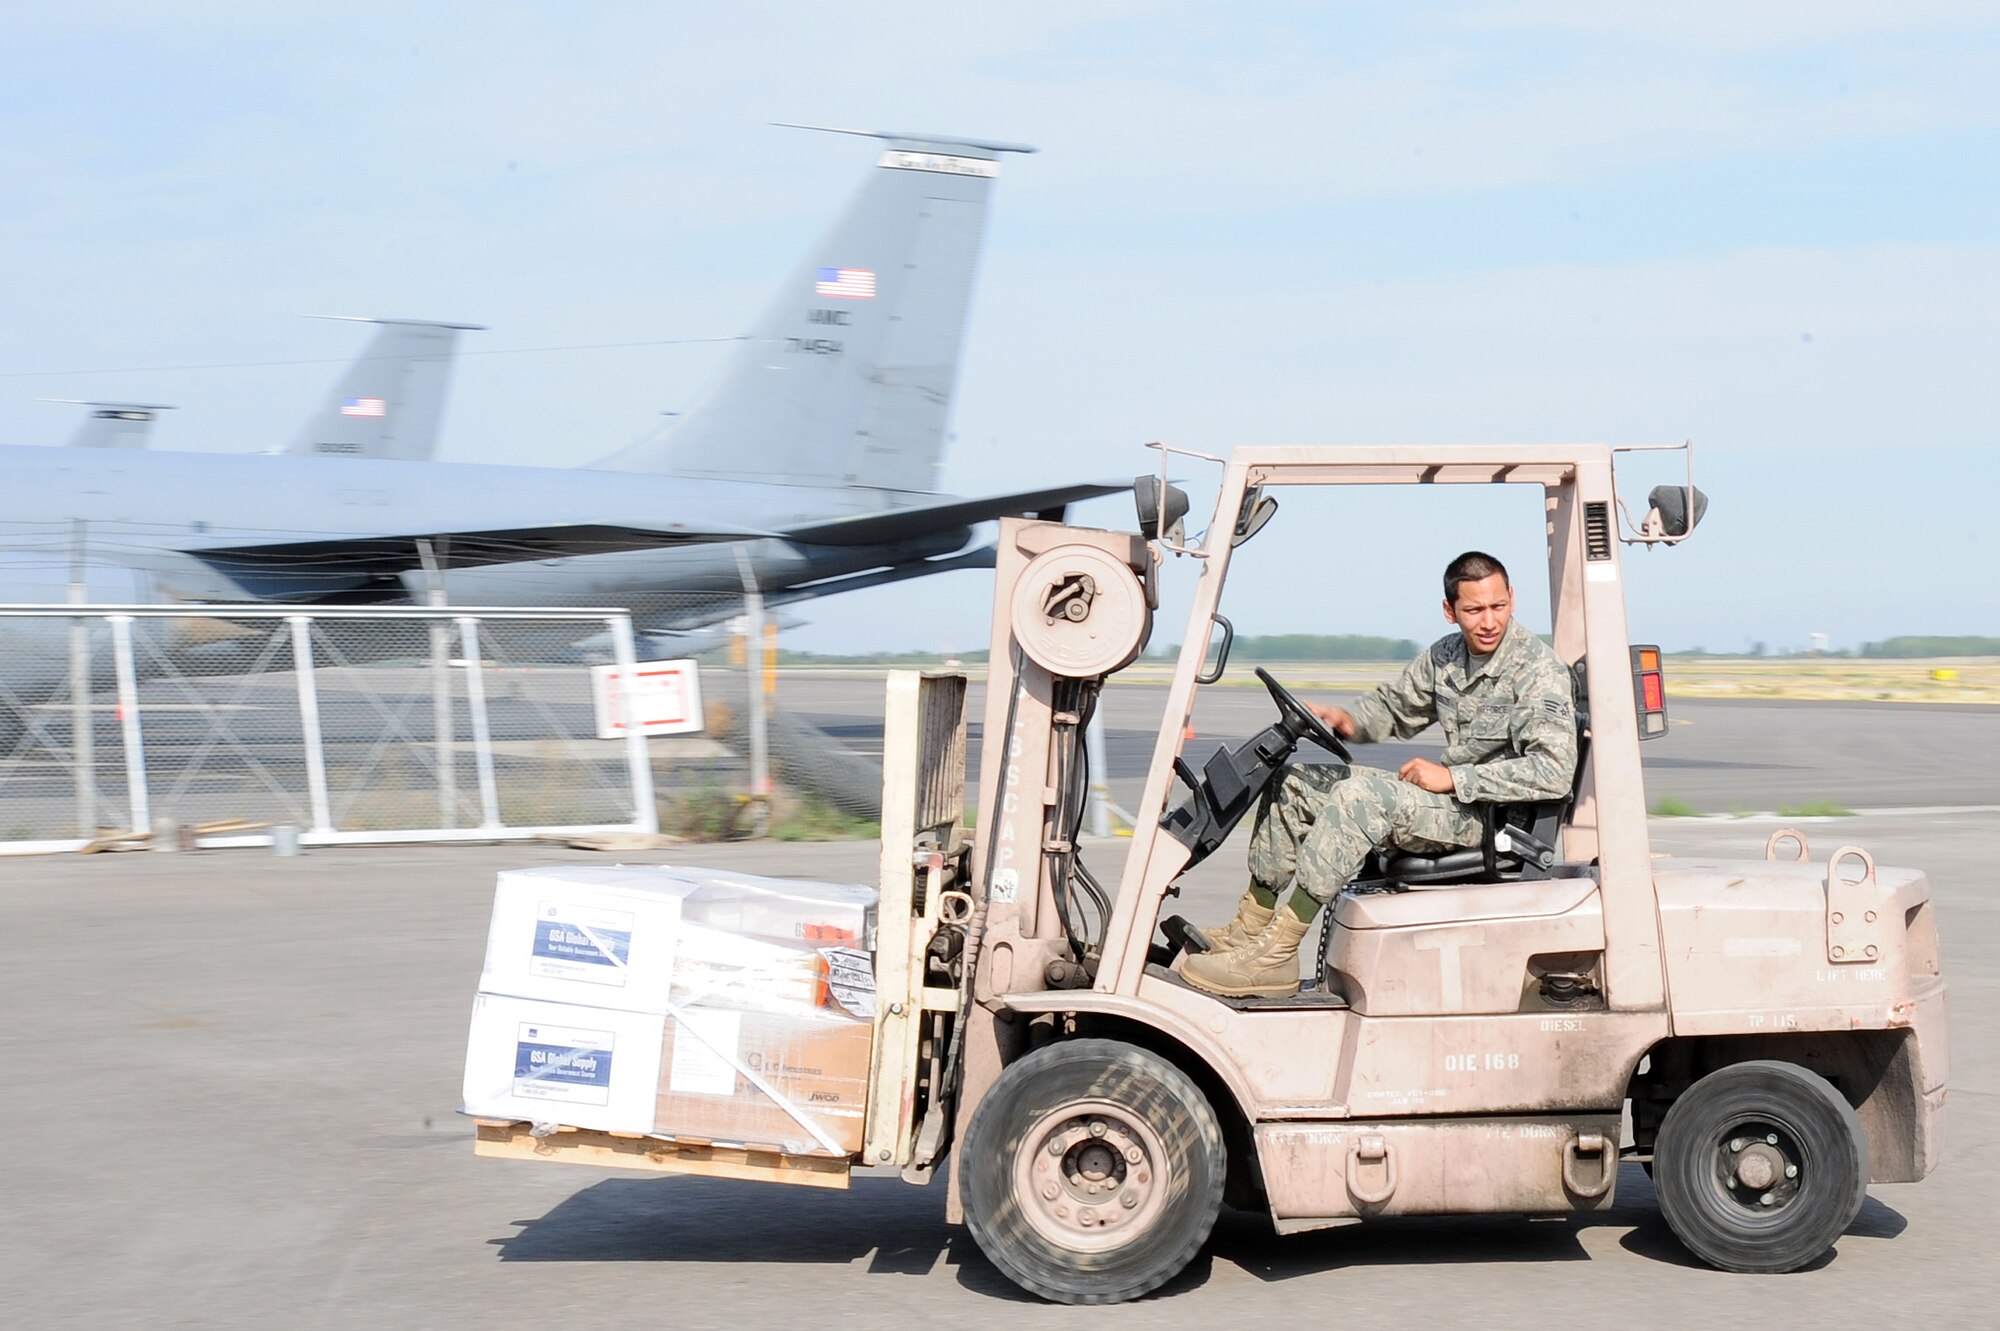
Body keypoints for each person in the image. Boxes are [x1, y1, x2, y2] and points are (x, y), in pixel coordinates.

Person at [1182, 551, 1579, 999]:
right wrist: (1348, 719)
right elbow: (1396, 706)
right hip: (1452, 805)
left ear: (1511, 600)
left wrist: (1456, 779)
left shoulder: (1537, 671)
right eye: (1473, 610)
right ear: (1450, 611)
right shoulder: (1446, 657)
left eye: (1498, 606)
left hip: (1492, 819)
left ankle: (1276, 954)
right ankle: (1250, 928)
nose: (1489, 621)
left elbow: (1553, 772)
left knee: (1362, 796)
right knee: (1292, 783)